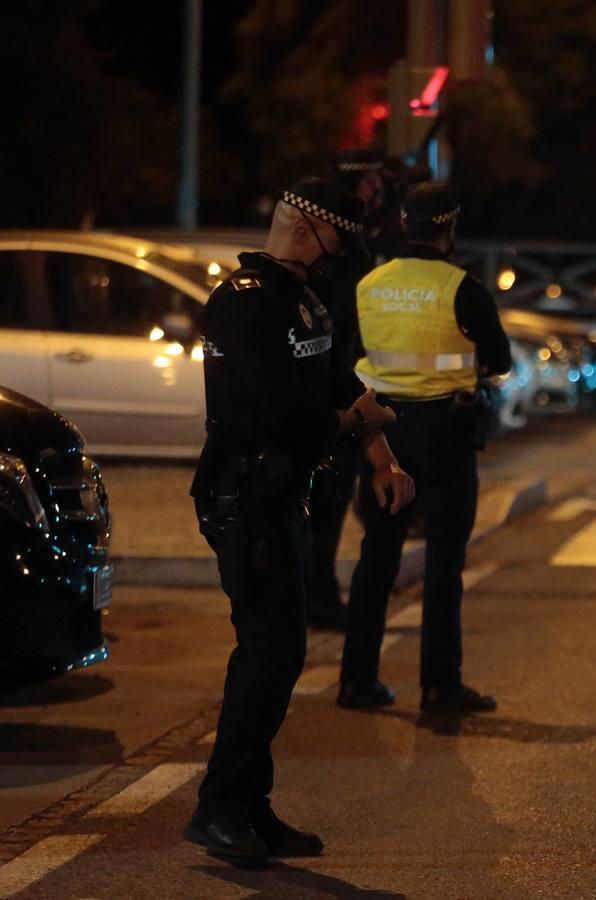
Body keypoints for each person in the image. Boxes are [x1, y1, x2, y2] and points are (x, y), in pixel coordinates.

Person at [187, 178, 417, 867]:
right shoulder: (241, 306)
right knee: (267, 652)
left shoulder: (302, 300)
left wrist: (381, 454)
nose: (344, 253)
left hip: (283, 496)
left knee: (278, 653)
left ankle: (249, 808)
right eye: (341, 238)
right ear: (306, 228)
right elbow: (268, 413)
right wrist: (346, 426)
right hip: (246, 499)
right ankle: (220, 808)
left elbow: (336, 377)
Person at [337, 182, 512, 715]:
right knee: (443, 562)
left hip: (382, 435)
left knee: (377, 557)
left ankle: (356, 681)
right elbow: (500, 360)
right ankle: (440, 686)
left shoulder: (370, 285)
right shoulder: (463, 288)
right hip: (445, 436)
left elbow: (347, 357)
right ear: (450, 230)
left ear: (404, 226)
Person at [304, 149, 390, 631]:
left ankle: (314, 594)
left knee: (324, 505)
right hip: (335, 387)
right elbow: (341, 324)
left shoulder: (337, 240)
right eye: (374, 181)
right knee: (328, 504)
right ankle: (317, 598)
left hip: (334, 381)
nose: (379, 190)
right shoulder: (342, 248)